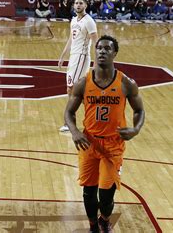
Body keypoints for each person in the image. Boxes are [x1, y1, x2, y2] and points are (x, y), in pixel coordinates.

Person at [64, 35, 145, 233]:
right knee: (88, 193)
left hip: (113, 145)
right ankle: (93, 225)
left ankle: (104, 219)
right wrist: (74, 131)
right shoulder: (83, 82)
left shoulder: (126, 83)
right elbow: (68, 112)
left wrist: (135, 129)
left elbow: (139, 110)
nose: (102, 51)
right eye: (99, 48)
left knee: (106, 196)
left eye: (107, 49)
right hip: (88, 143)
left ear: (114, 53)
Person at [58, 0, 97, 132]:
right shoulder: (74, 20)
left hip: (82, 57)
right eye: (76, 3)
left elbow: (96, 43)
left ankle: (69, 122)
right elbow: (71, 39)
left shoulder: (89, 21)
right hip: (73, 57)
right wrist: (63, 55)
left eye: (81, 3)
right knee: (76, 92)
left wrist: (96, 63)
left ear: (85, 5)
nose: (78, 5)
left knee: (71, 90)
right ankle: (96, 115)